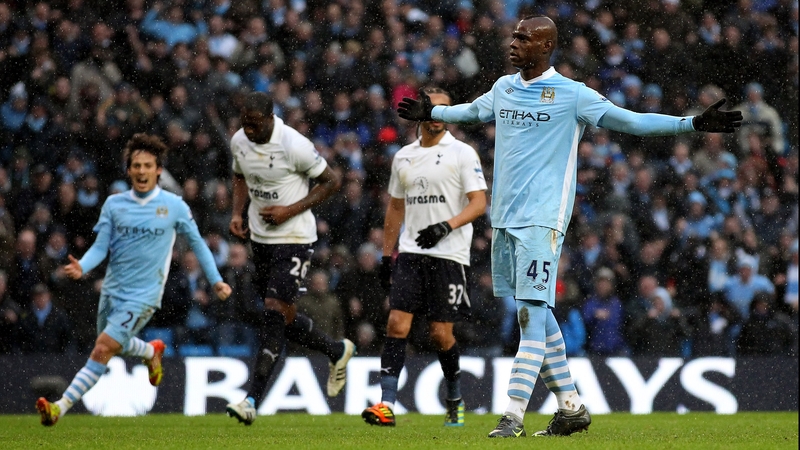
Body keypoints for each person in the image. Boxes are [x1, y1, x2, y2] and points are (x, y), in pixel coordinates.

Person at [397, 15, 742, 438]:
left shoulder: (573, 95)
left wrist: (689, 124)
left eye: (524, 39)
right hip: (504, 218)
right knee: (538, 317)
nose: (514, 43)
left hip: (543, 221)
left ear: (546, 47)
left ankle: (512, 416)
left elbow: (630, 121)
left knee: (529, 315)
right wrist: (433, 111)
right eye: (514, 36)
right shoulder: (504, 88)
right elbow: (470, 113)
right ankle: (572, 408)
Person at [36, 133, 232, 426]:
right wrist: (83, 266)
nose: (141, 171)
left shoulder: (174, 206)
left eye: (147, 165)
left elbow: (199, 244)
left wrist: (216, 280)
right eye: (136, 166)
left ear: (158, 171)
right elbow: (101, 246)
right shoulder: (115, 205)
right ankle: (150, 350)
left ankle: (59, 407)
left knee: (102, 348)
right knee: (112, 345)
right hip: (113, 290)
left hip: (145, 294)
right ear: (128, 170)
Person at [225, 92, 355, 426]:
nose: (249, 130)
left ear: (270, 118)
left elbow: (332, 181)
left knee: (272, 313)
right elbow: (240, 175)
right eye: (245, 124)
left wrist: (290, 210)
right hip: (260, 238)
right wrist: (238, 213)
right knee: (279, 315)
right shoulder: (239, 140)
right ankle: (336, 351)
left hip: (295, 238)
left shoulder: (293, 144)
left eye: (255, 124)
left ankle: (252, 399)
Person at [361, 87, 488, 428]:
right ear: (421, 113)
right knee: (396, 323)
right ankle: (386, 403)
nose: (439, 115)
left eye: (446, 109)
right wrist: (388, 256)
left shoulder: (462, 153)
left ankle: (455, 396)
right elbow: (395, 207)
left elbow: (478, 203)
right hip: (413, 252)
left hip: (450, 254)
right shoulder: (403, 156)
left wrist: (446, 226)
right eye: (433, 108)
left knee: (439, 334)